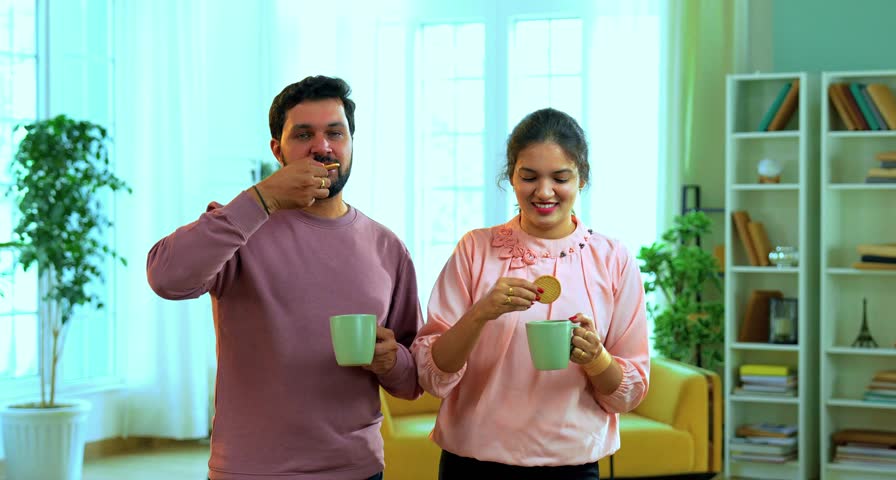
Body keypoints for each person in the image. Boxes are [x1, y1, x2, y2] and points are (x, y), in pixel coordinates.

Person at [147, 75, 423, 480]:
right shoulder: (237, 226)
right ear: (278, 149)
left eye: (335, 132)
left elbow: (412, 379)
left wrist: (390, 360)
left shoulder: (387, 247)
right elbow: (166, 278)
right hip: (250, 470)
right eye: (303, 134)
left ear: (350, 144)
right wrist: (263, 197)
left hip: (357, 469)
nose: (322, 146)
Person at [411, 108, 650, 479]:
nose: (544, 191)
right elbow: (433, 375)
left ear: (581, 179)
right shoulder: (475, 249)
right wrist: (481, 312)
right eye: (529, 177)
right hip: (473, 464)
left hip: (572, 465)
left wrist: (596, 359)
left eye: (560, 177)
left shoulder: (614, 259)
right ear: (511, 177)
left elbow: (629, 393)